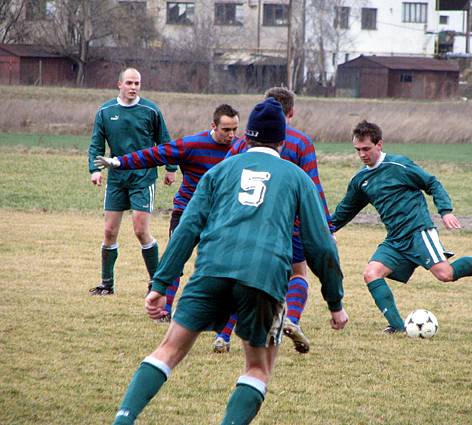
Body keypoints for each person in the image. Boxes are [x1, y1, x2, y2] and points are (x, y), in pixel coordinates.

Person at [111, 98, 349, 425]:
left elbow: (187, 229)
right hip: (263, 278)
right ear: (283, 140)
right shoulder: (297, 179)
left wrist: (160, 285)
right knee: (257, 367)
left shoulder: (219, 172)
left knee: (168, 350)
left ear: (246, 137)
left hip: (211, 270)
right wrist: (335, 302)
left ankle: (123, 419)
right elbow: (321, 246)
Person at [331, 120, 472, 334]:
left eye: (366, 149)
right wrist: (323, 230)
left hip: (419, 232)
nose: (362, 154)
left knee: (445, 274)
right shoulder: (361, 180)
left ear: (379, 145)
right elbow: (345, 211)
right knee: (371, 273)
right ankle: (398, 328)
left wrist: (445, 210)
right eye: (357, 150)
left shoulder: (400, 165)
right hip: (395, 239)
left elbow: (432, 183)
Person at [214, 86, 334, 354]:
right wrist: (327, 226)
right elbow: (313, 187)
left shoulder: (244, 142)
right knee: (298, 273)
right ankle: (291, 319)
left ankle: (223, 335)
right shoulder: (301, 142)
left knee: (241, 277)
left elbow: (224, 177)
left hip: (247, 220)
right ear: (291, 113)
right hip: (289, 225)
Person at [94, 104, 240, 320]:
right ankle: (164, 312)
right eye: (226, 129)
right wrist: (119, 162)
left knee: (220, 265)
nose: (232, 135)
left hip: (220, 215)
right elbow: (155, 154)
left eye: (235, 129)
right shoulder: (192, 144)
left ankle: (216, 315)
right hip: (186, 212)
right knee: (175, 263)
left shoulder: (240, 149)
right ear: (214, 126)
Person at [87, 68, 177, 296]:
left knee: (140, 230)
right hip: (117, 178)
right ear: (119, 84)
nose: (133, 87)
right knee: (109, 231)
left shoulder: (150, 110)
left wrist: (171, 168)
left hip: (143, 177)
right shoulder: (106, 111)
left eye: (137, 83)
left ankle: (155, 285)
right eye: (129, 83)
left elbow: (165, 142)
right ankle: (107, 284)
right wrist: (95, 170)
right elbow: (96, 144)